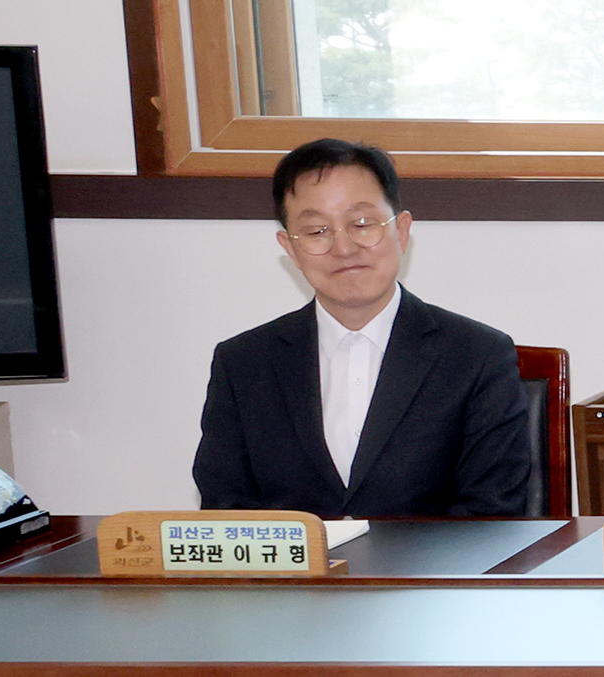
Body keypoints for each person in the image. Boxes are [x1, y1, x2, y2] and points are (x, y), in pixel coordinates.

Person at [193, 139, 530, 517]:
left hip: (429, 576)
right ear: (290, 248)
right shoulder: (243, 363)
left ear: (402, 231)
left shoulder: (478, 355)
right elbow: (227, 514)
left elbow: (491, 514)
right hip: (292, 578)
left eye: (362, 224)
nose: (344, 248)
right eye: (317, 230)